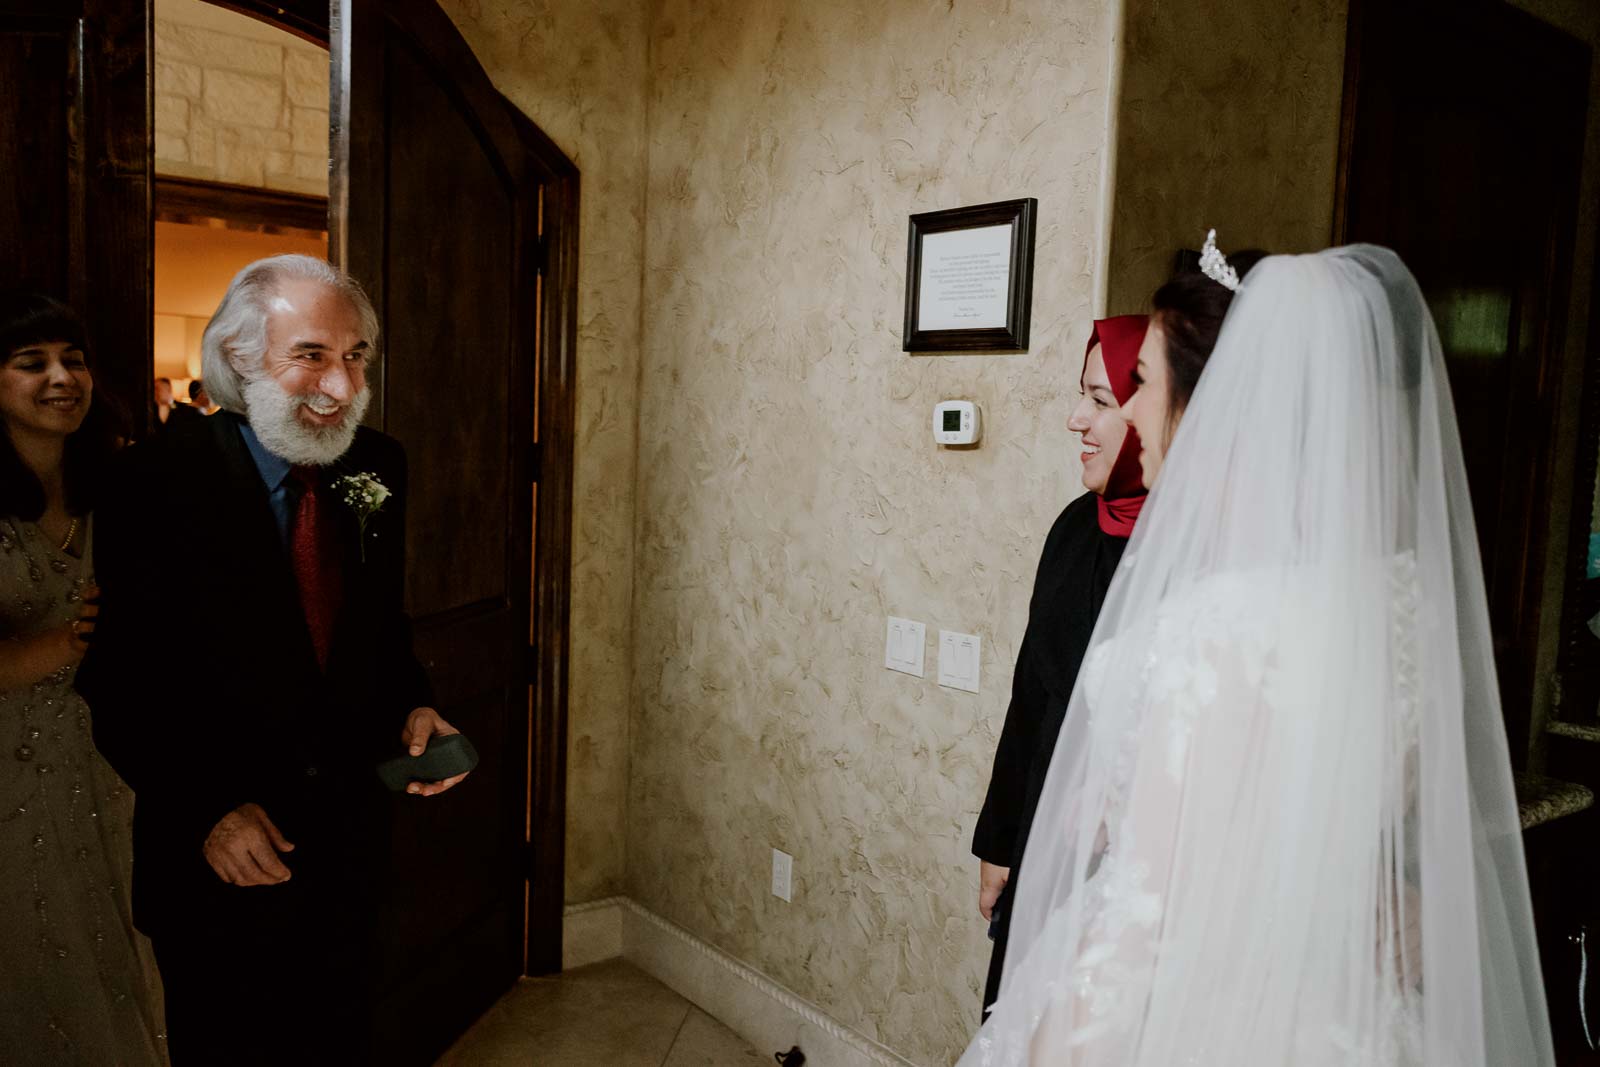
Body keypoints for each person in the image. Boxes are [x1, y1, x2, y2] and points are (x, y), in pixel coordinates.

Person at [961, 238, 1552, 1065]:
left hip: (1191, 1007)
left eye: (1138, 386)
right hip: (1340, 1005)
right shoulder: (1397, 609)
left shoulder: (1210, 627)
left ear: (1217, 407)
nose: (1127, 414)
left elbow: (1146, 921)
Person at [77, 254, 470, 1065]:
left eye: (356, 355)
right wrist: (207, 812)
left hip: (350, 846)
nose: (340, 383)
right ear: (243, 357)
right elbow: (119, 681)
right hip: (221, 859)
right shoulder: (152, 481)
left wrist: (417, 704)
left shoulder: (377, 466)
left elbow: (379, 630)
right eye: (312, 355)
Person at [0, 291, 166, 1064]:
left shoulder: (119, 487)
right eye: (32, 363)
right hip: (7, 770)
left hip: (104, 761)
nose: (61, 377)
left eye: (74, 360)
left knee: (116, 947)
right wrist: (62, 642)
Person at [972, 315, 1152, 1014]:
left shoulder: (1192, 551)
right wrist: (1000, 840)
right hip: (1042, 834)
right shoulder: (1073, 528)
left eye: (1102, 401)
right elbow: (1030, 697)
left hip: (1134, 865)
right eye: (1082, 395)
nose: (1077, 419)